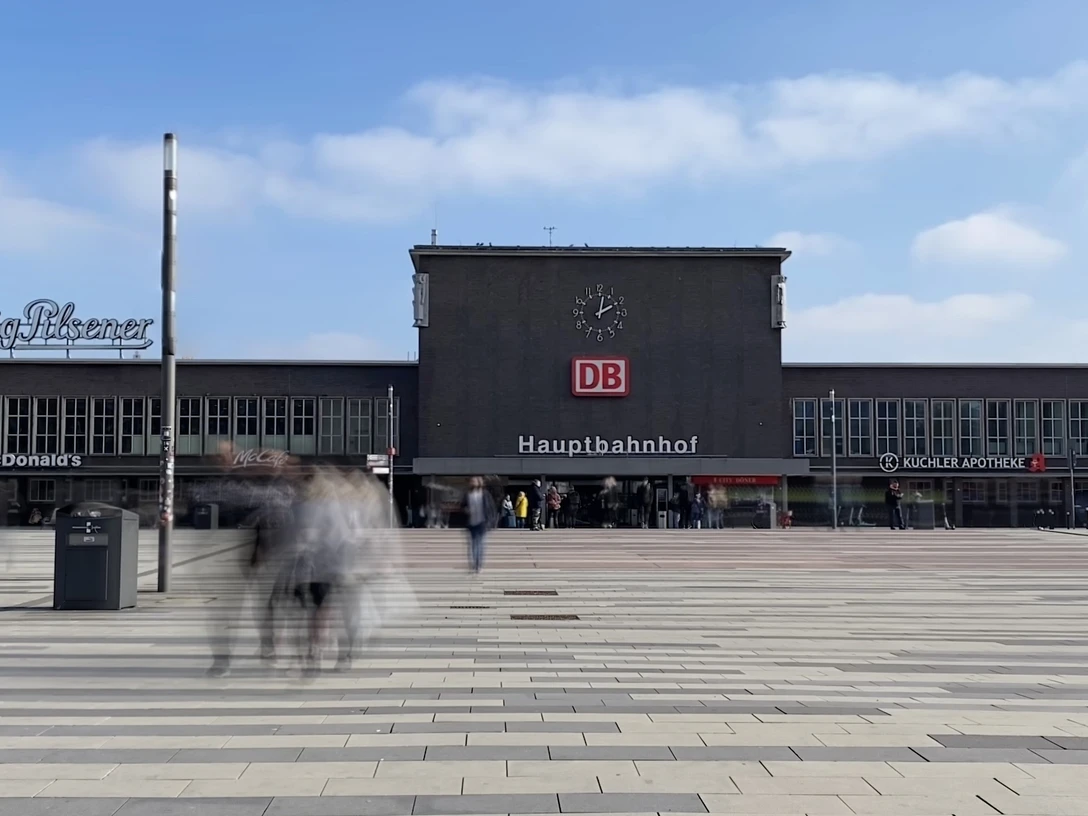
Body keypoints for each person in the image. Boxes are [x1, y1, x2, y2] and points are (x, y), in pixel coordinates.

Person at [464, 477, 495, 572]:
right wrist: (465, 510)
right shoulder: (468, 494)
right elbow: (462, 505)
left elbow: (490, 507)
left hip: (482, 523)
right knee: (473, 545)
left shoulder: (485, 494)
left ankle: (479, 564)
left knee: (480, 544)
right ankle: (475, 564)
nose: (472, 483)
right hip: (471, 523)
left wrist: (491, 521)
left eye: (474, 481)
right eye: (471, 482)